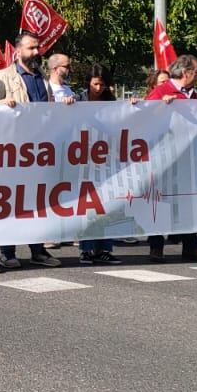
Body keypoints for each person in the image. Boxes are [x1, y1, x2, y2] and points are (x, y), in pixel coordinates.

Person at [0, 32, 67, 269]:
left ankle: (38, 251)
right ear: (18, 51)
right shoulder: (3, 77)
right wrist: (1, 104)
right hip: (12, 151)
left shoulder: (41, 77)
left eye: (38, 48)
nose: (36, 52)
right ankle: (8, 253)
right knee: (10, 202)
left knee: (36, 203)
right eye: (31, 48)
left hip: (39, 151)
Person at [145, 54, 197, 263]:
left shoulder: (192, 95)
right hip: (163, 157)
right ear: (186, 73)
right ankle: (156, 247)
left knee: (187, 200)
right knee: (160, 200)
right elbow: (142, 119)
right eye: (196, 72)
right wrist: (160, 107)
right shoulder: (162, 91)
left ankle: (190, 246)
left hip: (186, 156)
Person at [76, 63, 122, 265]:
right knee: (87, 206)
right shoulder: (79, 100)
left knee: (107, 204)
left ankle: (105, 248)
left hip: (105, 158)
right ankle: (86, 249)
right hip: (83, 158)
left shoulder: (111, 101)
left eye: (102, 85)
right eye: (95, 84)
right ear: (88, 83)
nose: (99, 88)